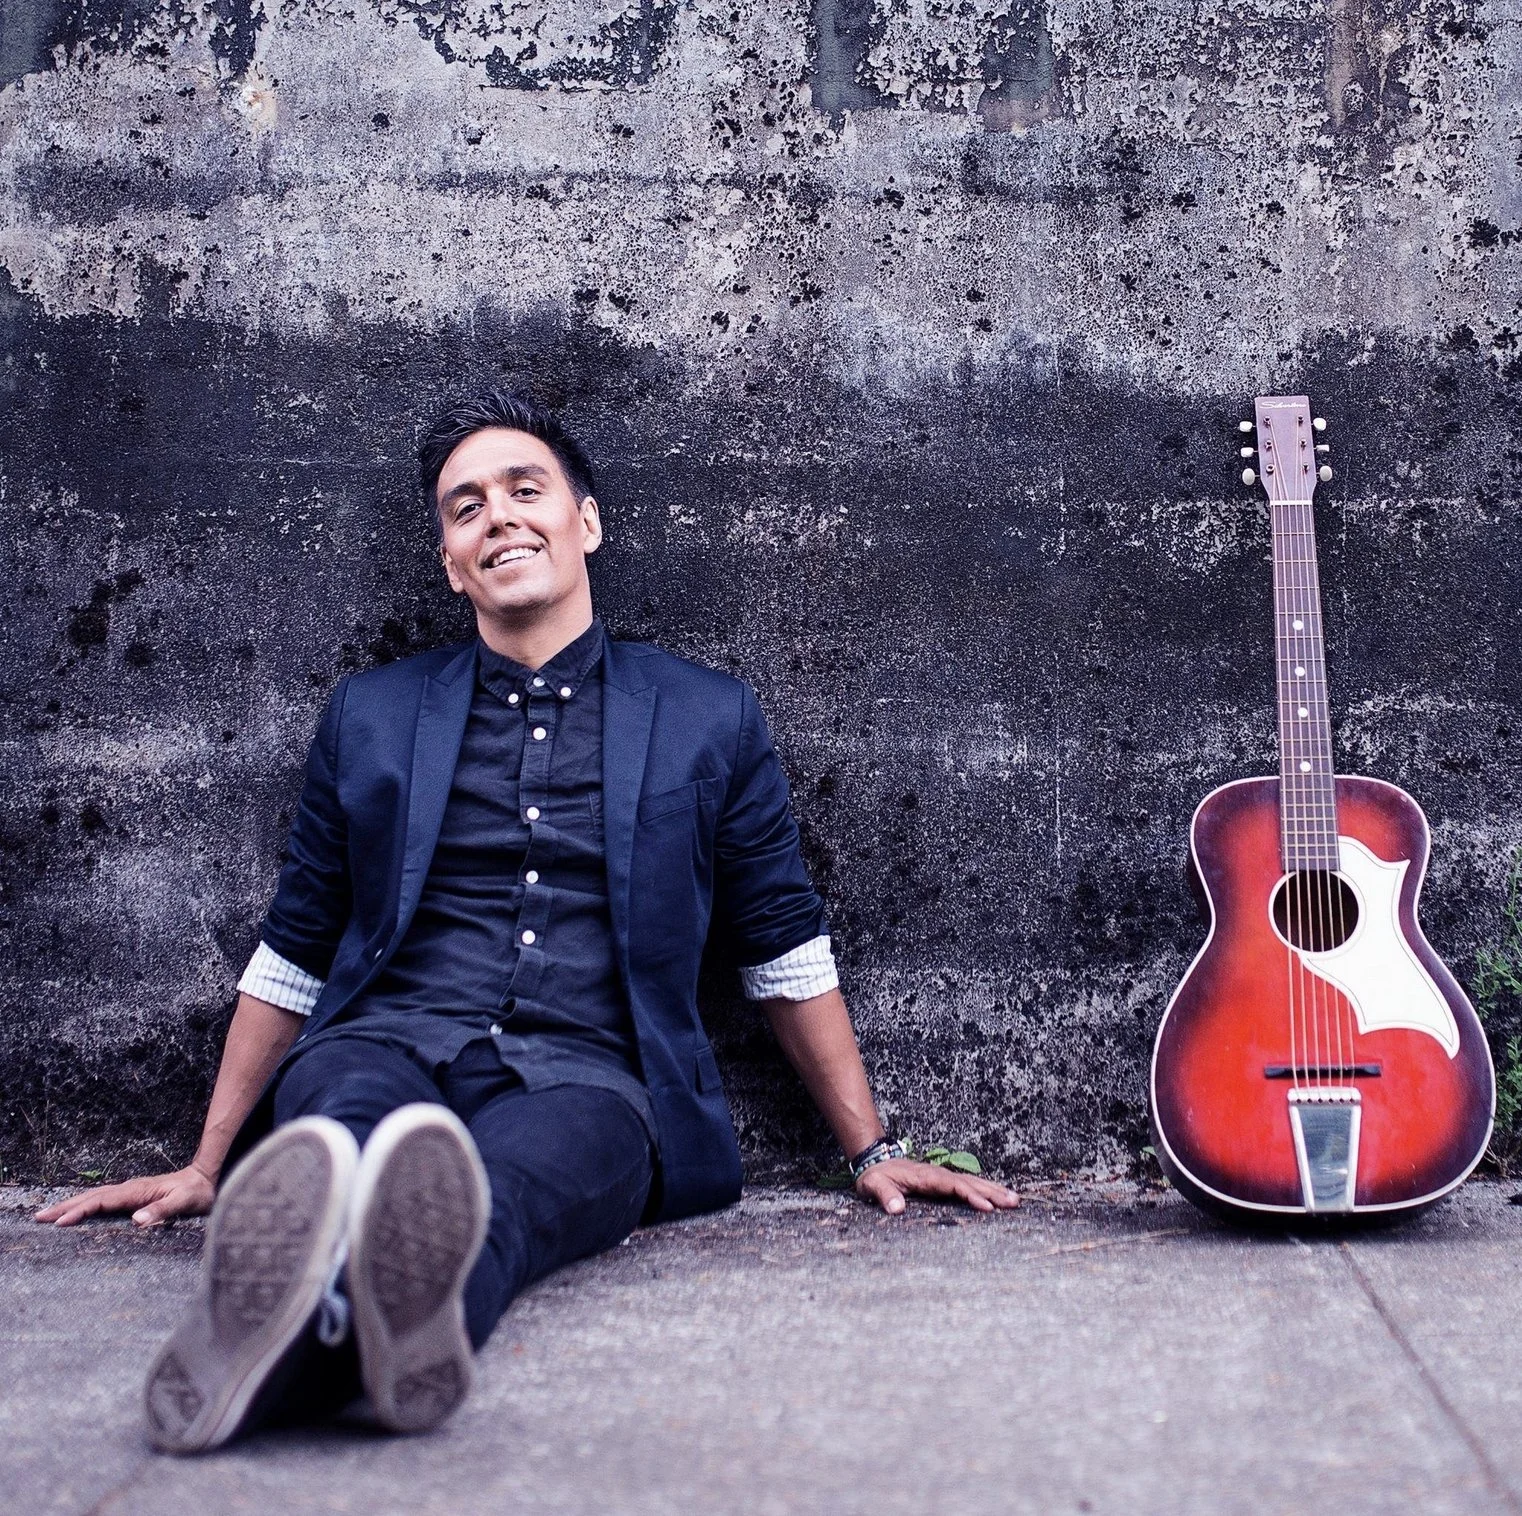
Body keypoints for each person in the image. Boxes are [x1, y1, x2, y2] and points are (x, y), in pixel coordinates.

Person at [36, 390, 1017, 1452]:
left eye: (524, 489)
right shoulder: (370, 713)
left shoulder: (707, 715)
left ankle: (286, 1361)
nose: (497, 515)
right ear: (451, 562)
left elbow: (780, 942)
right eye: (466, 508)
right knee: (338, 1152)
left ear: (584, 522)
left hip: (591, 1078)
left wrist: (869, 1145)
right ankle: (349, 1338)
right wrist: (210, 1161)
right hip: (381, 1041)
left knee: (487, 1203)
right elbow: (295, 944)